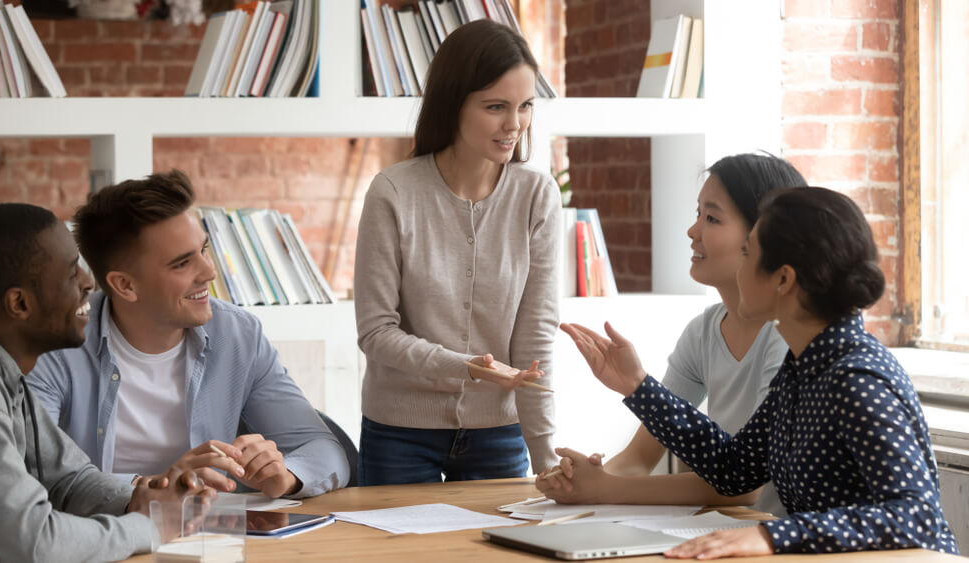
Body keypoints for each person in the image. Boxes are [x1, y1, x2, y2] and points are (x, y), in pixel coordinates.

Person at [561, 187, 959, 557]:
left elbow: (917, 518)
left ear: (783, 279)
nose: (739, 269)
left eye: (748, 254)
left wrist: (771, 535)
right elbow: (734, 469)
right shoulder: (803, 368)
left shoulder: (856, 379)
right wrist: (637, 386)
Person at [29, 170, 350, 499]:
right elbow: (36, 473)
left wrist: (287, 475)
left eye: (204, 250)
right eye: (182, 263)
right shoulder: (55, 347)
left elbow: (322, 448)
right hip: (103, 537)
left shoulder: (237, 335)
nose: (209, 272)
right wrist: (161, 486)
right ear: (125, 285)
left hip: (214, 539)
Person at [538, 154, 806, 516]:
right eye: (698, 214)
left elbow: (745, 487)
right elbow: (639, 456)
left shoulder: (789, 338)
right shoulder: (703, 332)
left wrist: (606, 488)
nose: (692, 231)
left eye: (712, 218)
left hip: (776, 541)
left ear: (762, 237)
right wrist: (580, 480)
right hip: (733, 534)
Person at [354, 19, 559, 485]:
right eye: (495, 107)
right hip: (398, 433)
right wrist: (466, 367)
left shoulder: (536, 196)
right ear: (453, 103)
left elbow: (535, 339)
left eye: (525, 106)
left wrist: (546, 457)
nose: (514, 124)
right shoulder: (393, 192)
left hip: (500, 433)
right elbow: (375, 332)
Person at [0, 203, 213, 562]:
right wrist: (149, 528)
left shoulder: (1, 373)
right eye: (71, 274)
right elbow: (35, 541)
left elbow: (68, 480)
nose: (88, 283)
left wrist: (149, 499)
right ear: (19, 303)